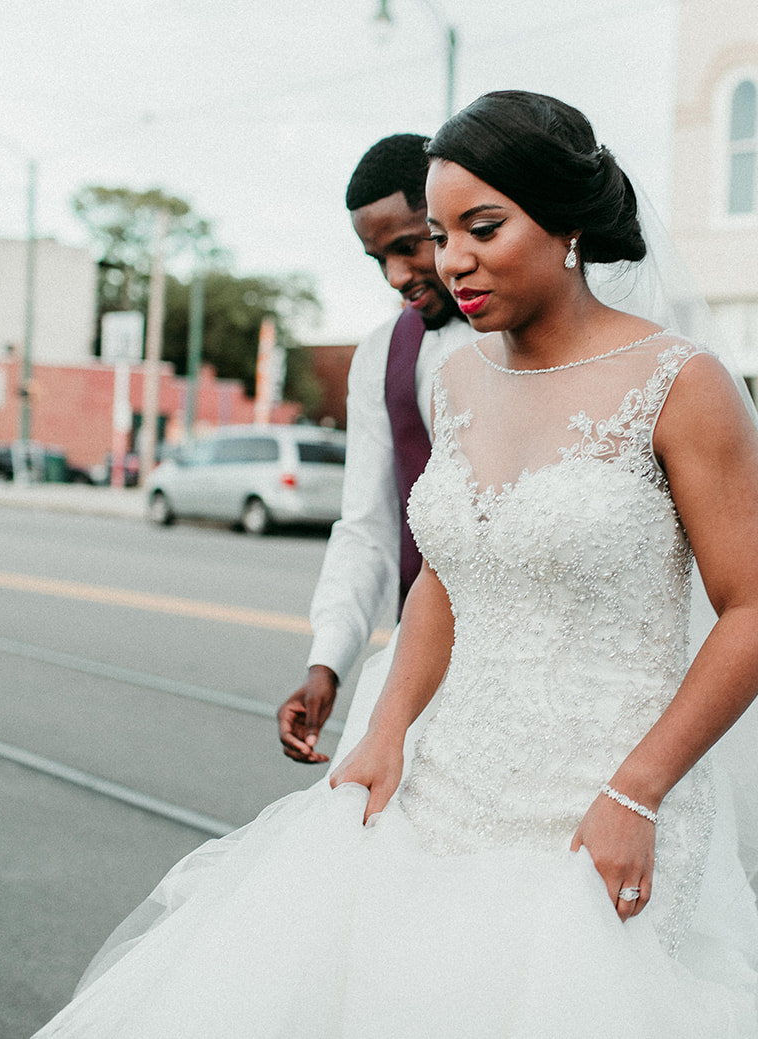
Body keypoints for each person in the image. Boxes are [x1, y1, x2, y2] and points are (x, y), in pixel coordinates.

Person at [32, 90, 758, 1038]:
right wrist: (388, 727)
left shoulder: (680, 383)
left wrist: (634, 790)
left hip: (601, 793)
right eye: (440, 234)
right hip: (442, 777)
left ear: (566, 223)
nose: (451, 262)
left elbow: (756, 610)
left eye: (482, 228)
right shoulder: (455, 381)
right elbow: (447, 569)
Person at [276, 132, 470, 766]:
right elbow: (367, 527)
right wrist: (329, 658)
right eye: (376, 259)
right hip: (431, 673)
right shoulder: (383, 357)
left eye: (408, 247)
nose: (396, 276)